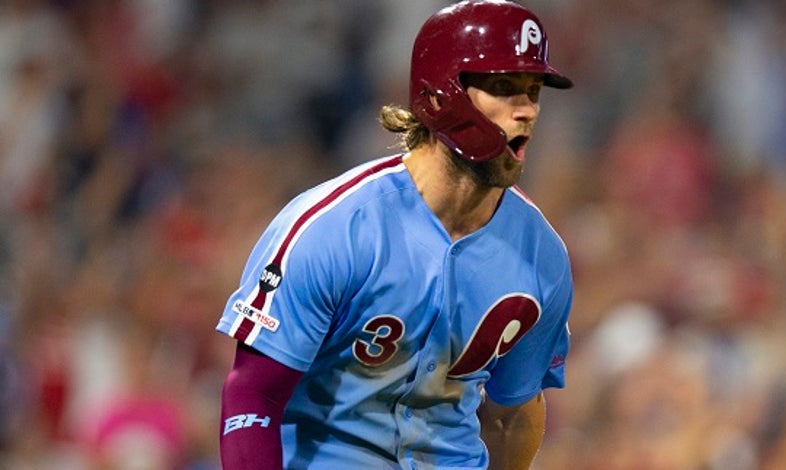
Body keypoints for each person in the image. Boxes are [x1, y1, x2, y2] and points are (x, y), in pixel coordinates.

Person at [215, 1, 574, 468]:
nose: (527, 110)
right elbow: (252, 397)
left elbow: (512, 415)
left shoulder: (541, 256)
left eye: (533, 90)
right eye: (504, 88)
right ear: (441, 94)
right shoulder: (335, 228)